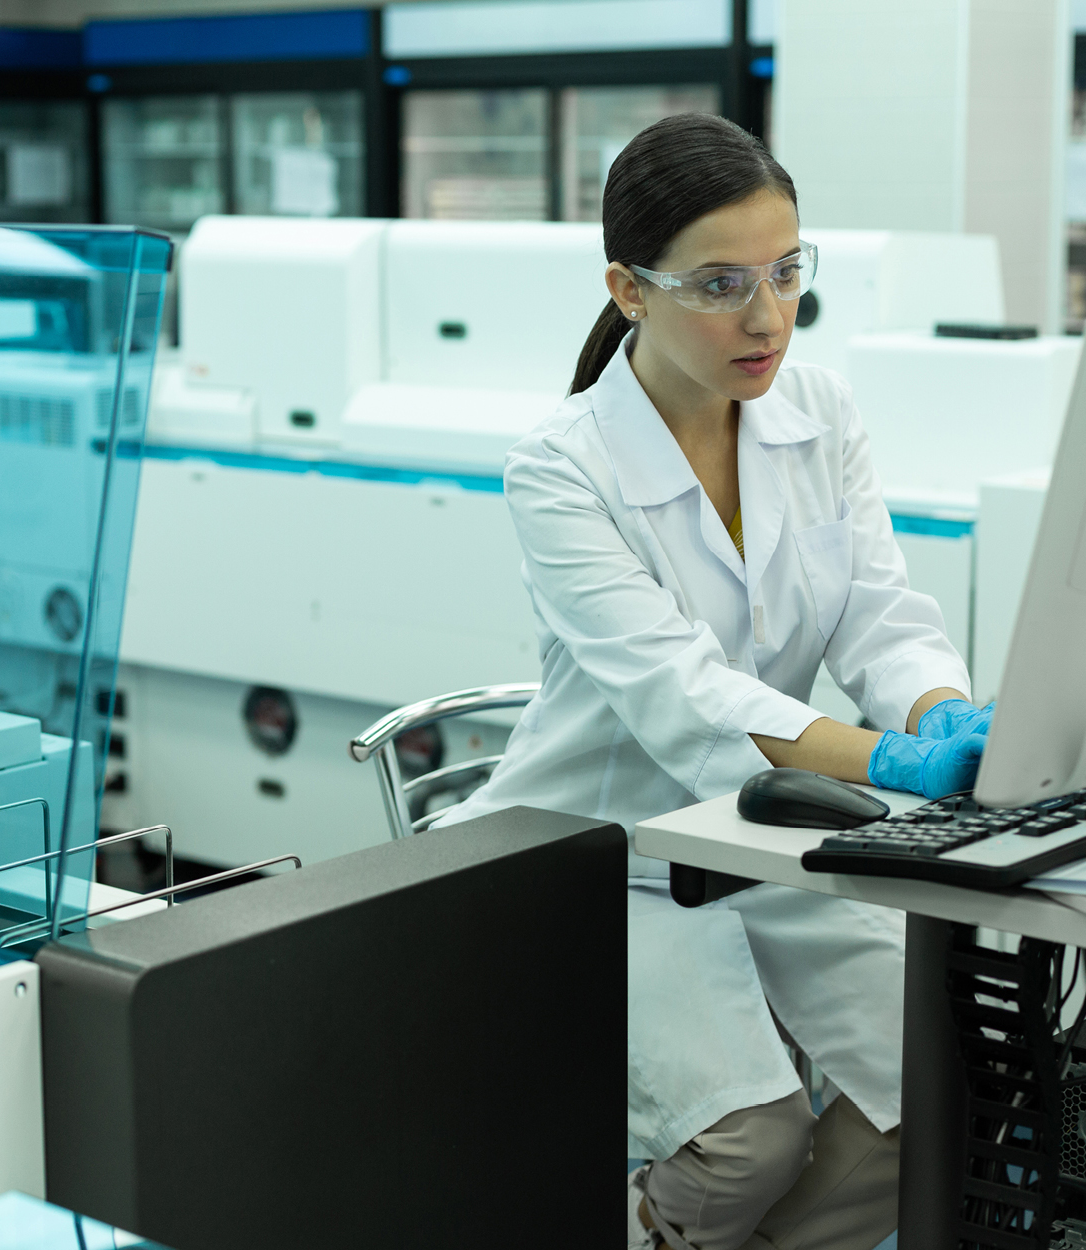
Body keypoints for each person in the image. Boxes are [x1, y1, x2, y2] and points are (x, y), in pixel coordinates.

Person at [429, 113, 993, 1250]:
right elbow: (682, 694)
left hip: (764, 838)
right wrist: (883, 757)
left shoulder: (819, 411)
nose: (767, 315)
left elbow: (878, 606)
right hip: (605, 847)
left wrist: (937, 707)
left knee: (943, 1093)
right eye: (722, 283)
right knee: (750, 1140)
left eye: (788, 273)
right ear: (629, 291)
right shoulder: (561, 467)